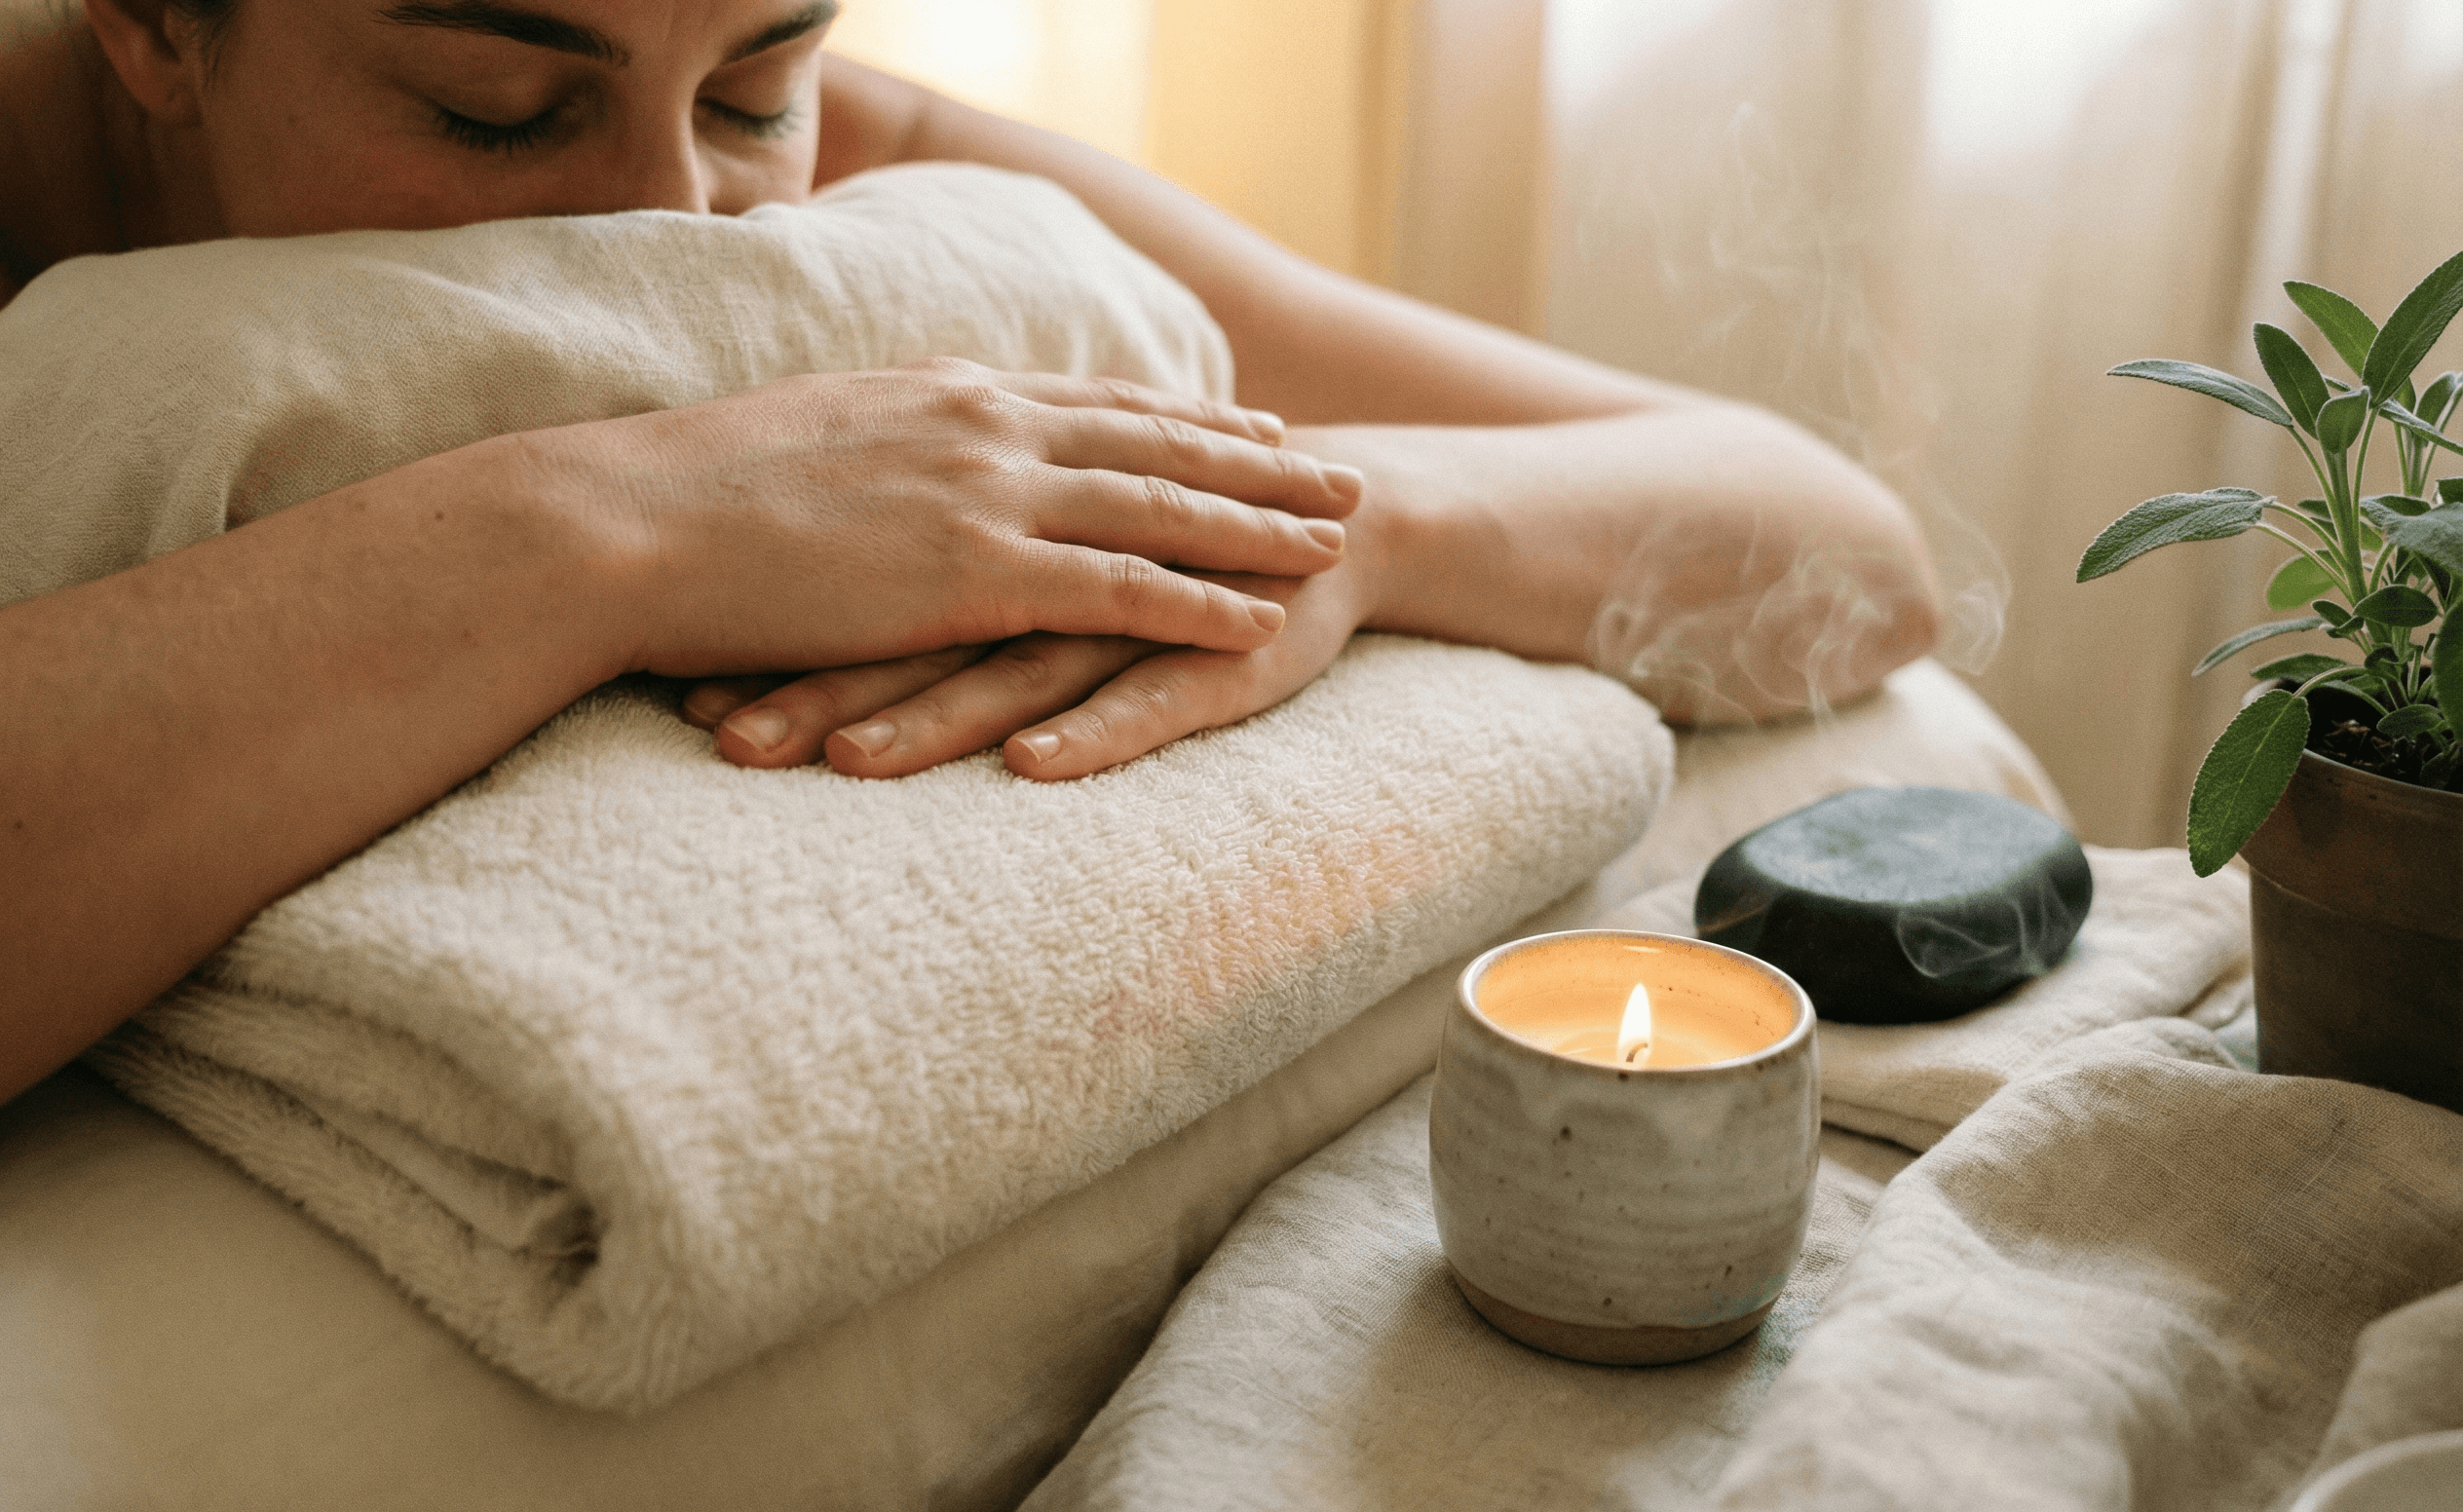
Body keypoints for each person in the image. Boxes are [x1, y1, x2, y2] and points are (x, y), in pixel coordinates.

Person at [0, 0, 1943, 1101]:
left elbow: (1839, 549)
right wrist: (616, 520)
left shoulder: (861, 144)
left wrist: (1333, 527)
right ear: (150, 20)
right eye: (494, 109)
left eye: (754, 88)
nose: (672, 230)